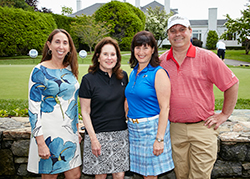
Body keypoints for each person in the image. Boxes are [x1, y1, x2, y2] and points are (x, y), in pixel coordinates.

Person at [160, 14, 239, 179]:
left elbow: (231, 84)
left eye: (182, 29)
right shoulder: (161, 61)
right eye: (173, 30)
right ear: (168, 34)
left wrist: (224, 114)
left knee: (200, 176)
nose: (178, 34)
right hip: (174, 129)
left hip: (202, 128)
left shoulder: (207, 57)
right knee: (181, 175)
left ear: (190, 31)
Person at [27, 29, 82, 179]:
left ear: (69, 47)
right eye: (57, 42)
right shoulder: (39, 71)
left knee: (75, 175)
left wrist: (76, 129)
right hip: (48, 132)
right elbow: (33, 109)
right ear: (49, 45)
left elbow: (73, 102)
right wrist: (40, 142)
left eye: (65, 43)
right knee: (50, 175)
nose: (61, 46)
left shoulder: (70, 69)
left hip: (69, 131)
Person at [125, 31, 174, 178]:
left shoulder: (158, 73)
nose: (141, 52)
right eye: (137, 47)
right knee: (141, 174)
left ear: (153, 49)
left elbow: (165, 108)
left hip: (151, 130)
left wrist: (159, 139)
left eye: (145, 47)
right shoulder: (134, 72)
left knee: (150, 176)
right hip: (134, 130)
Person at [79, 37, 129, 179]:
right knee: (100, 176)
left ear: (117, 57)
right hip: (98, 135)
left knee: (119, 175)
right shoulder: (88, 80)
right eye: (105, 54)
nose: (109, 58)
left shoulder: (123, 76)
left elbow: (126, 104)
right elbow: (85, 112)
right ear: (98, 56)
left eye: (113, 54)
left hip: (120, 134)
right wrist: (93, 139)